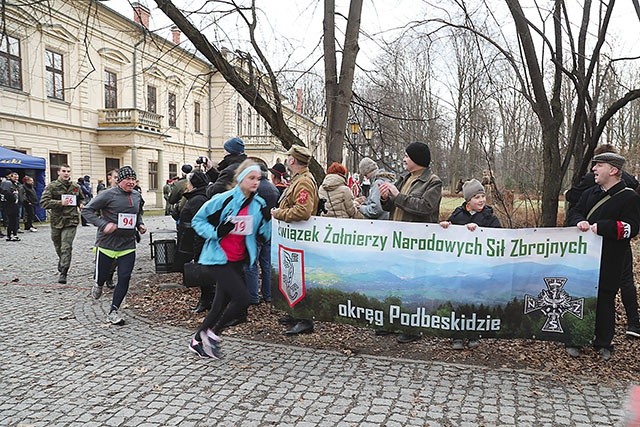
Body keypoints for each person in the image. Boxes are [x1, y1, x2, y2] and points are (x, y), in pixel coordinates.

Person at [188, 160, 271, 358]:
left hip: (238, 260)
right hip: (218, 258)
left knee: (219, 306)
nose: (255, 183)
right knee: (243, 298)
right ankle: (213, 336)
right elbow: (197, 220)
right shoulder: (223, 199)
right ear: (241, 179)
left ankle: (197, 341)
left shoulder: (258, 204)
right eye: (251, 178)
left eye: (258, 179)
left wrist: (268, 220)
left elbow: (264, 235)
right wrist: (216, 232)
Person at [566, 152, 640, 361]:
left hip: (611, 258)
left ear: (613, 170)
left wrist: (604, 228)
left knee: (605, 298)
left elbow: (631, 228)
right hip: (583, 258)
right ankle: (576, 339)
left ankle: (603, 342)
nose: (594, 170)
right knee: (578, 296)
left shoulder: (630, 198)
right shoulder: (589, 193)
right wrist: (579, 221)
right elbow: (575, 212)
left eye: (599, 165)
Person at [380, 141, 442, 343]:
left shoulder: (433, 182)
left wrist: (398, 196)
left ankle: (412, 328)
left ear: (417, 159)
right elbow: (393, 205)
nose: (404, 159)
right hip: (397, 240)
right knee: (394, 281)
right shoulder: (404, 178)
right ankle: (392, 323)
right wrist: (385, 199)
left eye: (407, 156)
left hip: (416, 243)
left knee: (413, 285)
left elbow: (425, 207)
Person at [440, 178, 501, 349]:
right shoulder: (458, 214)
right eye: (476, 197)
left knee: (475, 301)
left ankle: (474, 333)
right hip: (459, 268)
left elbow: (499, 239)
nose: (481, 200)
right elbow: (449, 230)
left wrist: (480, 231)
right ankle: (457, 335)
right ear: (468, 201)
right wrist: (445, 226)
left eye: (483, 196)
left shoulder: (490, 218)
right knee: (458, 301)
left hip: (479, 269)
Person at [82, 166, 147, 326]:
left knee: (125, 277)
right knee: (102, 277)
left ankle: (113, 311)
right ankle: (98, 284)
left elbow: (137, 213)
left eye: (133, 179)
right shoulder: (107, 194)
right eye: (128, 179)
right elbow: (87, 211)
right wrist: (103, 224)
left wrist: (140, 224)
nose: (131, 182)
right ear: (119, 180)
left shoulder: (137, 195)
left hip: (128, 244)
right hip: (107, 244)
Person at [272, 145, 319, 335]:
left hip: (301, 237)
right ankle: (295, 312)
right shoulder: (298, 180)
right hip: (293, 237)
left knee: (301, 277)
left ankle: (305, 319)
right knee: (293, 276)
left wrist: (279, 213)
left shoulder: (304, 182)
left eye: (288, 157)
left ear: (292, 161)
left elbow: (303, 211)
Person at [40, 164, 85, 284]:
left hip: (71, 220)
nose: (66, 173)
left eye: (68, 171)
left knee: (66, 246)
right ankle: (62, 261)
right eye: (64, 171)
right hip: (57, 220)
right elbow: (44, 203)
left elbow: (81, 198)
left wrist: (81, 204)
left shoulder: (75, 187)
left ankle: (64, 271)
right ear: (58, 172)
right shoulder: (52, 186)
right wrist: (60, 202)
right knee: (58, 245)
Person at [175, 171, 211, 313]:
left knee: (203, 272)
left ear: (193, 184)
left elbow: (199, 225)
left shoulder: (197, 200)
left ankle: (206, 300)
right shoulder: (198, 197)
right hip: (193, 240)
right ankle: (206, 299)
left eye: (188, 183)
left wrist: (197, 249)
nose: (187, 185)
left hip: (197, 241)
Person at [244, 163, 280, 305]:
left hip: (254, 229)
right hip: (269, 228)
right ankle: (268, 294)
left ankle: (253, 296)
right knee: (266, 264)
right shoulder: (273, 189)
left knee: (252, 264)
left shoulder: (253, 189)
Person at [0, 171, 21, 241]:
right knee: (12, 221)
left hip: (14, 205)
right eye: (15, 177)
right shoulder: (7, 184)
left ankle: (13, 234)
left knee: (14, 221)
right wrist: (14, 196)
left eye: (17, 177)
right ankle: (11, 235)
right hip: (10, 205)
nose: (16, 178)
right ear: (10, 177)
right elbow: (7, 194)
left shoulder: (15, 184)